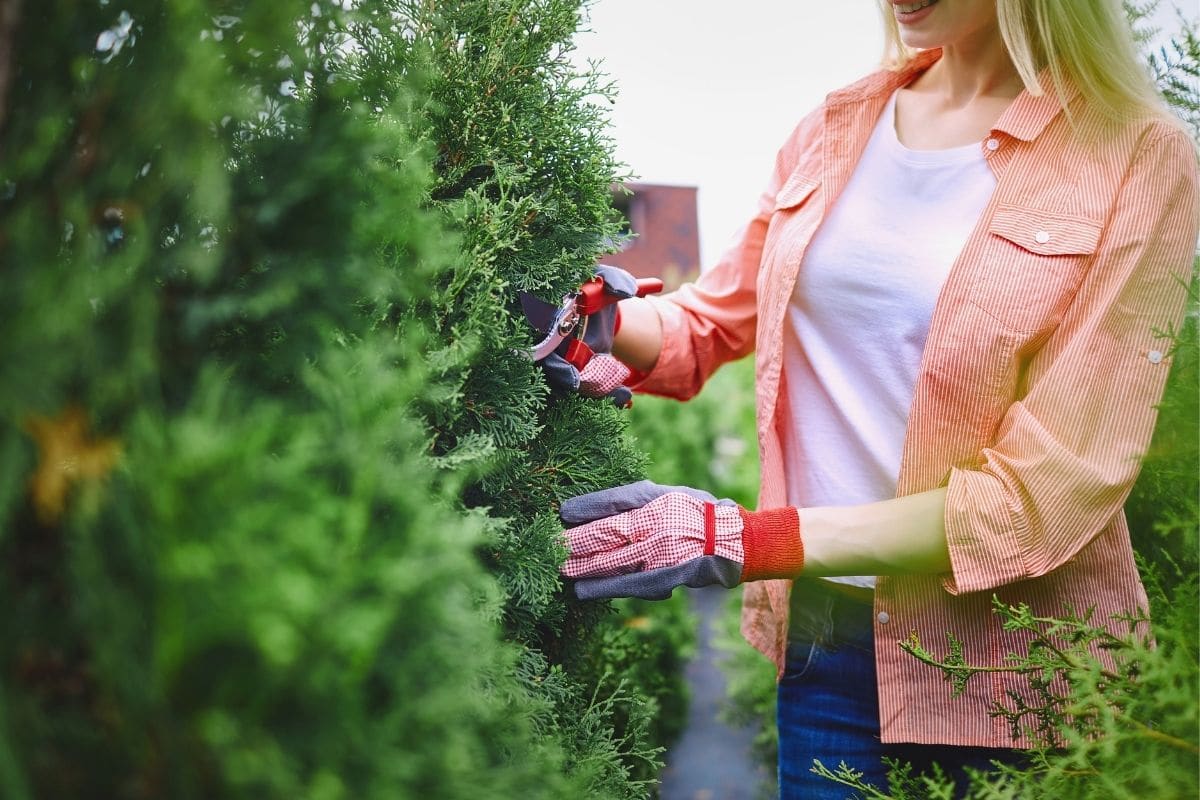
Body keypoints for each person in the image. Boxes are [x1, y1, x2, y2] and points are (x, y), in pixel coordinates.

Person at [548, 0, 1200, 796]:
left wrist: (747, 541)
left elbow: (1049, 487)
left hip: (1016, 677)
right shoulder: (836, 126)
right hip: (825, 650)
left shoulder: (1137, 155)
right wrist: (602, 322)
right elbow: (711, 320)